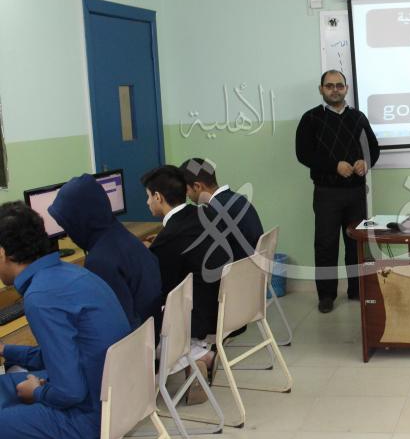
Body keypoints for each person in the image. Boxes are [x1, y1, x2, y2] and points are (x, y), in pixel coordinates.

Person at [0, 202, 131, 439]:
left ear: (2, 253)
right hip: (120, 401)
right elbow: (64, 354)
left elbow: (70, 391)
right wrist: (7, 350)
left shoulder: (40, 297)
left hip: (89, 418)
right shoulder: (70, 274)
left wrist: (38, 392)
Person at [296, 70, 380, 313]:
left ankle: (356, 290)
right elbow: (304, 154)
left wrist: (365, 162)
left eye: (339, 85)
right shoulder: (310, 118)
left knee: (356, 244)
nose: (335, 90)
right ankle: (326, 295)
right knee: (326, 245)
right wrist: (334, 166)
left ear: (346, 89)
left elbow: (373, 149)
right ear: (321, 89)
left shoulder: (358, 117)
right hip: (326, 193)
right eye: (329, 85)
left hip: (355, 192)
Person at [141, 165, 224, 399]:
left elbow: (159, 288)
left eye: (148, 196)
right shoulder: (204, 214)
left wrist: (149, 252)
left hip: (198, 315)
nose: (147, 202)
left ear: (158, 197)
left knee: (141, 315)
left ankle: (198, 356)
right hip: (220, 303)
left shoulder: (169, 238)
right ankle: (200, 356)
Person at [48, 173, 163, 331]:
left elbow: (114, 324)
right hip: (152, 329)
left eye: (68, 225)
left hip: (137, 339)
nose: (68, 233)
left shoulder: (100, 261)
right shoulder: (121, 234)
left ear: (80, 220)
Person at [180, 157, 264, 266]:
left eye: (186, 190)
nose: (186, 195)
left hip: (240, 270)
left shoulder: (215, 211)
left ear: (197, 186)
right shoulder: (236, 198)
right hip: (254, 267)